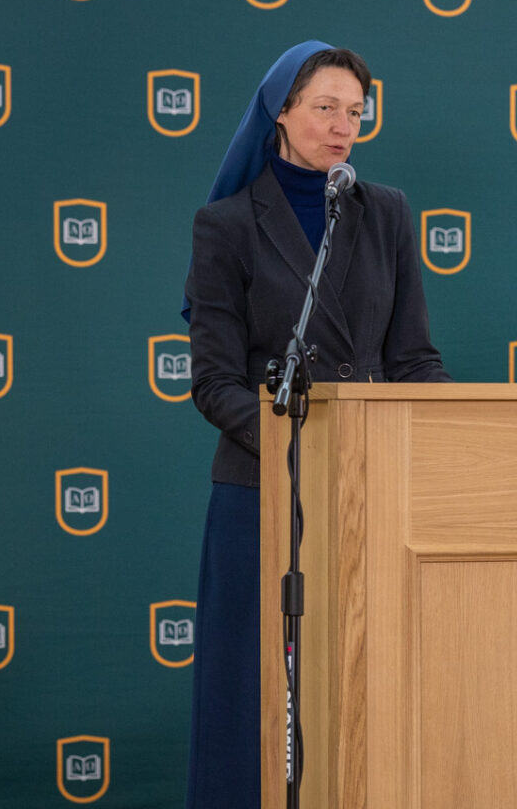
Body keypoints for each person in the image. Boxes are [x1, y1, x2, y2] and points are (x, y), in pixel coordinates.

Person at [183, 41, 452, 809]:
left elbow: (413, 358)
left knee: (366, 684)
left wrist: (446, 432)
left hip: (371, 490)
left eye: (355, 113)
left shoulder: (387, 212)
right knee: (252, 691)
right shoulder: (226, 225)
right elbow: (215, 382)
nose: (343, 127)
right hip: (263, 490)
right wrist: (296, 441)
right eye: (326, 108)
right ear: (281, 112)